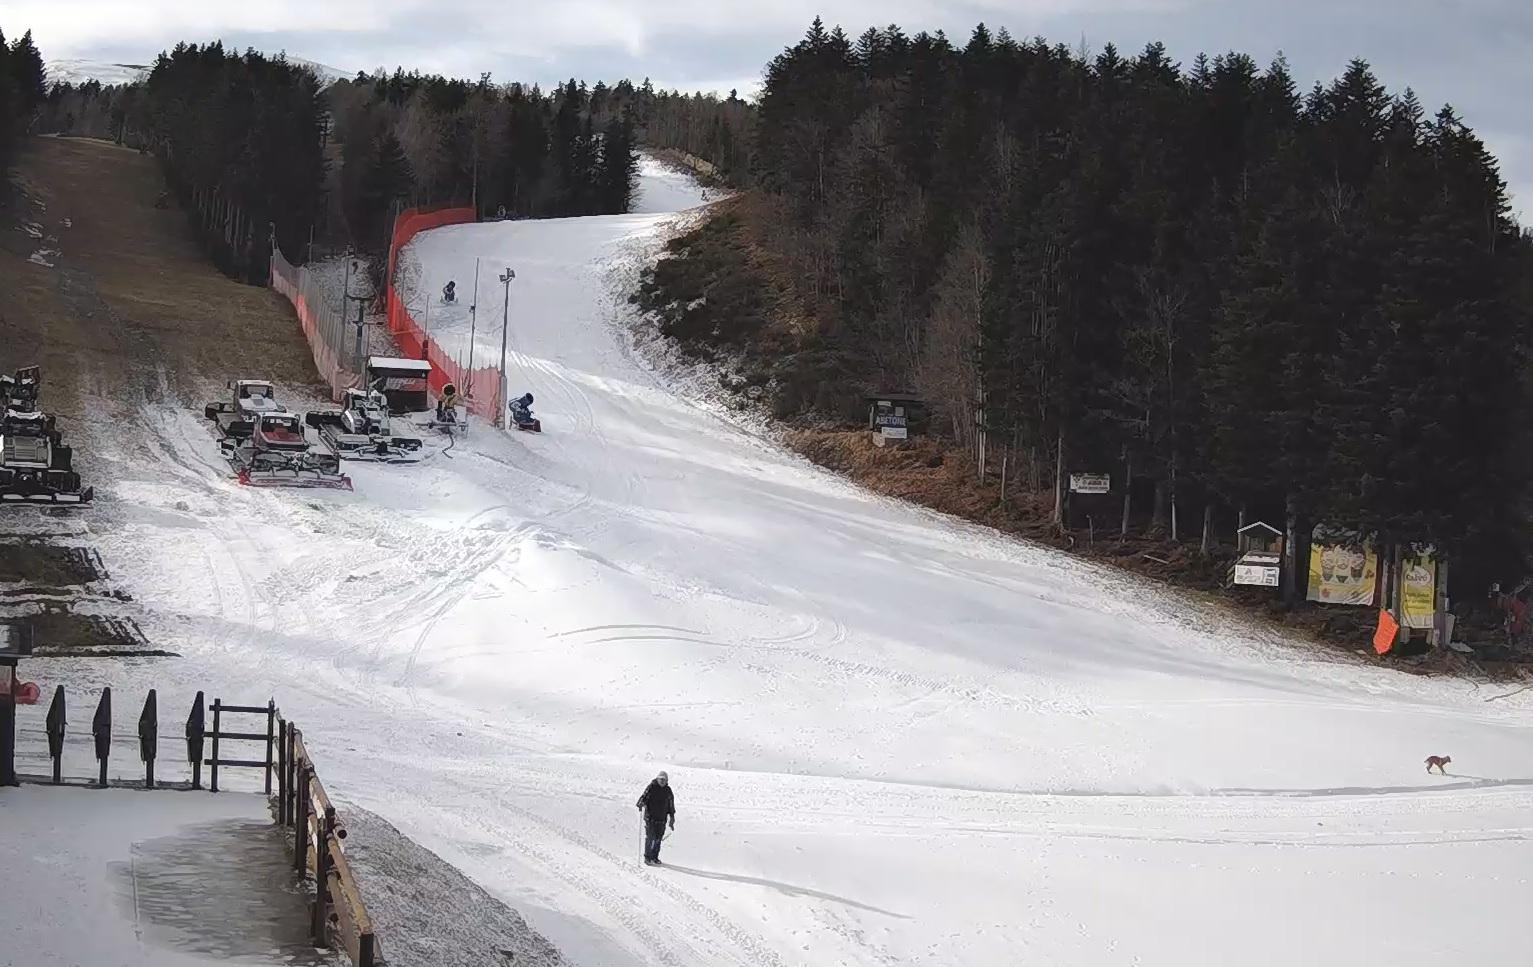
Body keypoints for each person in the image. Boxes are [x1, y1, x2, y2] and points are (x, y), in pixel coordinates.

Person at [636, 771, 675, 865]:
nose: (662, 781)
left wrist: (672, 816)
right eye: (661, 779)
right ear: (657, 779)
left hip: (662, 819)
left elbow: (671, 805)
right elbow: (643, 798)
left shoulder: (668, 790)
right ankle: (647, 857)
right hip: (650, 817)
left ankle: (654, 857)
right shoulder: (651, 787)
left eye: (664, 780)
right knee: (650, 837)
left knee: (658, 838)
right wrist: (641, 803)